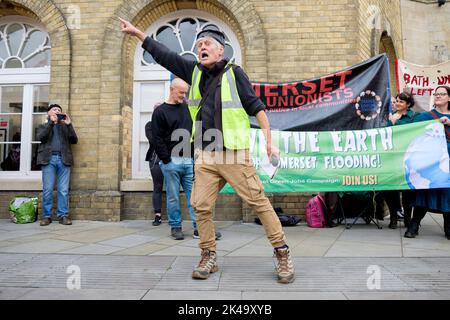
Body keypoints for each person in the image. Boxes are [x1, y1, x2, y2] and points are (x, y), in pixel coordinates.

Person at [120, 18, 295, 284]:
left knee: (259, 203)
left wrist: (270, 141)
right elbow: (164, 55)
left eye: (207, 43)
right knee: (200, 206)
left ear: (221, 50)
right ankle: (208, 254)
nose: (201, 46)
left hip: (234, 154)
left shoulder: (235, 73)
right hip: (205, 155)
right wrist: (138, 35)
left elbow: (257, 108)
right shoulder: (193, 72)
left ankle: (282, 252)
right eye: (199, 43)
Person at [151, 78, 222, 241]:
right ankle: (176, 227)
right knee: (173, 196)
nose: (184, 96)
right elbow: (157, 138)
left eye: (185, 92)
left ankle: (200, 229)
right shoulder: (160, 111)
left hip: (190, 160)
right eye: (181, 92)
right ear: (171, 89)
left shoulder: (188, 108)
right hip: (171, 161)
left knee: (196, 197)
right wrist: (166, 160)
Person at [404, 85, 450, 239]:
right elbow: (412, 133)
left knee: (447, 192)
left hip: (448, 164)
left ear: (449, 98)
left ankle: (448, 226)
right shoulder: (426, 116)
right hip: (430, 163)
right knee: (424, 190)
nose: (438, 96)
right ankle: (414, 224)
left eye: (442, 94)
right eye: (436, 94)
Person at [380, 92, 417, 229]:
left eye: (401, 102)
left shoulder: (414, 117)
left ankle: (408, 217)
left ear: (408, 104)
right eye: (396, 101)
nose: (397, 104)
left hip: (408, 159)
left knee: (407, 189)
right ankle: (394, 216)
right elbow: (382, 135)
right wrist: (391, 122)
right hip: (391, 159)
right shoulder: (388, 117)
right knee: (390, 189)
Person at [37, 104, 78, 226]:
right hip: (48, 160)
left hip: (63, 159)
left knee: (63, 190)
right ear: (48, 113)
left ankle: (63, 216)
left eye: (59, 110)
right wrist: (51, 123)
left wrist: (69, 124)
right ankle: (47, 216)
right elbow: (41, 137)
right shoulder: (43, 126)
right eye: (54, 109)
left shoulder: (65, 127)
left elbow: (74, 140)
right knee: (48, 189)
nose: (57, 111)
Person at [145, 103, 164, 226]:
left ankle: (175, 216)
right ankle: (157, 215)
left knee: (174, 188)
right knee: (157, 186)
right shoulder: (150, 125)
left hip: (170, 159)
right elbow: (153, 140)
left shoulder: (168, 125)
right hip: (155, 159)